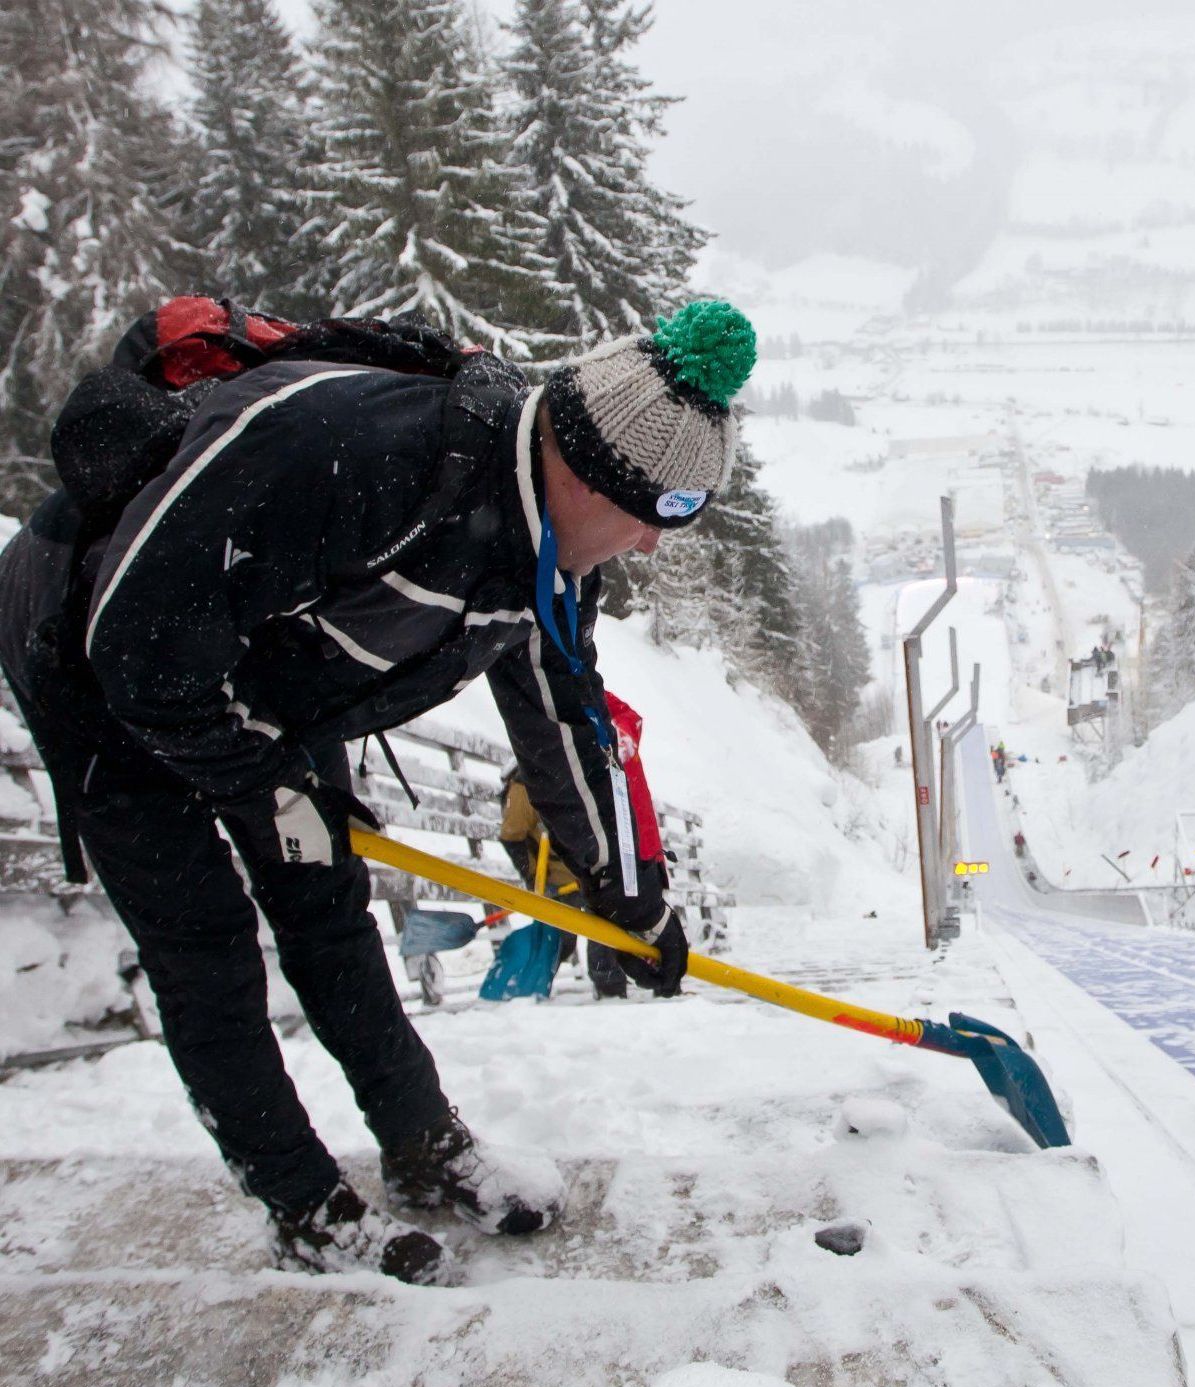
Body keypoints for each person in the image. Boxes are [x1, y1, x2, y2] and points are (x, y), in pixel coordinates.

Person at [0, 299, 753, 1286]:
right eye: (661, 514)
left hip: (269, 688)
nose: (654, 545)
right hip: (100, 660)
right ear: (590, 471)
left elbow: (567, 724)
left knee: (329, 912)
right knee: (207, 945)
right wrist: (268, 788)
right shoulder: (350, 448)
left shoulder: (549, 562)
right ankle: (303, 1205)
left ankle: (423, 1144)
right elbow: (135, 643)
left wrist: (629, 896)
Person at [498, 692, 667, 1001]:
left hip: (589, 871)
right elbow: (512, 836)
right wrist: (534, 876)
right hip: (557, 880)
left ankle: (610, 988)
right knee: (565, 937)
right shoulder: (524, 783)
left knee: (608, 919)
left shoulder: (582, 766)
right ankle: (533, 985)